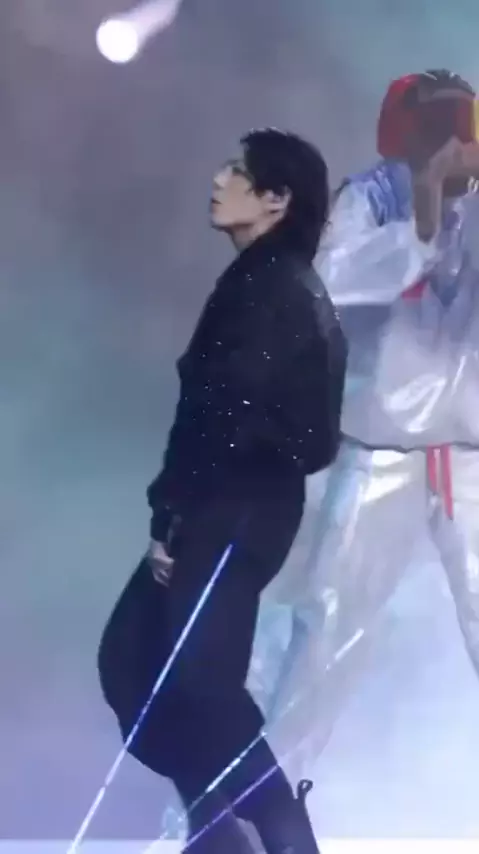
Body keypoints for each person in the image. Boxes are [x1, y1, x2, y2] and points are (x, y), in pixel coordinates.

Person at [98, 128, 347, 853]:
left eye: (238, 171)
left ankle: (282, 833)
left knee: (195, 681)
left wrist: (176, 517)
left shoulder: (276, 291)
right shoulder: (263, 282)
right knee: (138, 665)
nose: (218, 178)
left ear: (276, 199)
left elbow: (237, 419)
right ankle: (222, 834)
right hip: (227, 507)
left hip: (233, 510)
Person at [265, 69, 479, 773]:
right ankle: (252, 805)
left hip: (470, 451)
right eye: (446, 126)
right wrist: (423, 217)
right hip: (378, 448)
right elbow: (329, 281)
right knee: (326, 632)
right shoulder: (373, 196)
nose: (461, 142)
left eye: (468, 124)